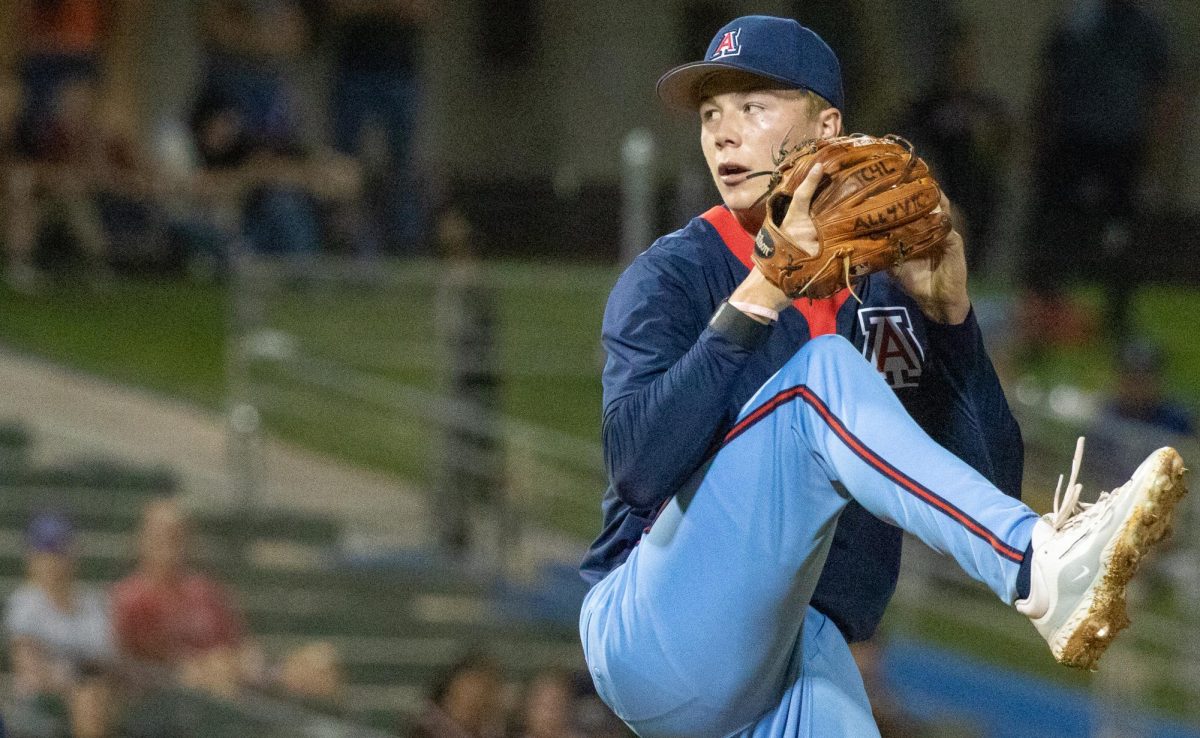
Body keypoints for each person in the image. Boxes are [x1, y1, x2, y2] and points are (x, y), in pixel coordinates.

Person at [577, 15, 1186, 738]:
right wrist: (763, 292)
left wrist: (954, 324)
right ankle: (1038, 566)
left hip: (796, 657)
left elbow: (983, 486)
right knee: (820, 377)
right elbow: (637, 470)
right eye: (712, 113)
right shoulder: (674, 277)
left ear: (827, 127)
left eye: (754, 106)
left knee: (829, 378)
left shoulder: (885, 290)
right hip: (655, 627)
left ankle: (1036, 561)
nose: (724, 132)